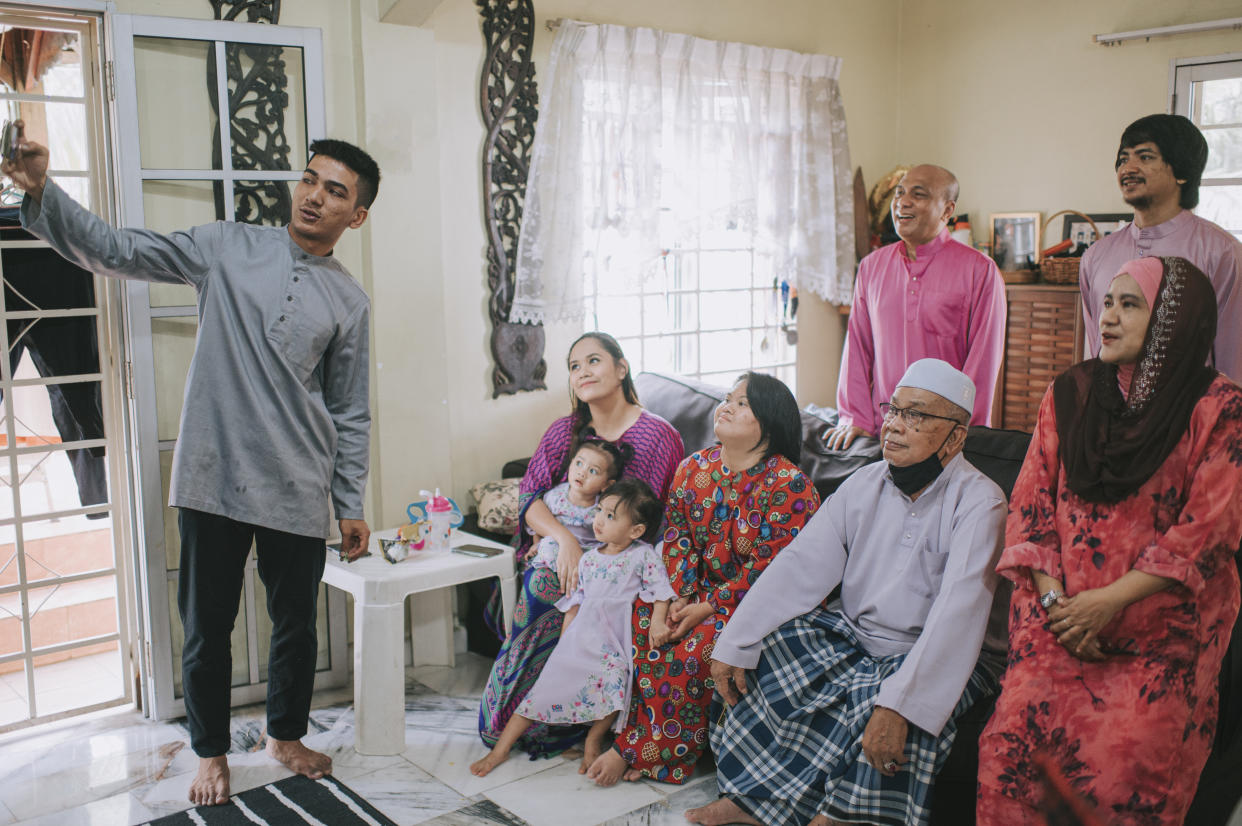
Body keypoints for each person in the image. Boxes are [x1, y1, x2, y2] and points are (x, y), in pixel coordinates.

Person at [1, 123, 379, 807]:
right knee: (208, 627)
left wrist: (349, 501)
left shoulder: (349, 301)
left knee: (296, 623)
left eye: (334, 191)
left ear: (356, 214)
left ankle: (284, 737)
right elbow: (115, 250)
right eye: (309, 179)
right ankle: (210, 752)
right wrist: (39, 190)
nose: (314, 197)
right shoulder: (227, 247)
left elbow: (349, 411)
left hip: (298, 482)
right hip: (214, 475)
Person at [685, 359, 1008, 826]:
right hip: (855, 634)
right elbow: (799, 567)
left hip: (932, 654)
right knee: (771, 647)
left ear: (956, 435)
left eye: (915, 416)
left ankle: (839, 818)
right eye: (893, 410)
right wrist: (736, 641)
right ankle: (750, 800)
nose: (894, 426)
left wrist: (899, 703)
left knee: (900, 714)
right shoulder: (866, 482)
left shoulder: (981, 503)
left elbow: (957, 616)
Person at [977, 257, 1242, 825]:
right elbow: (1030, 505)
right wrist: (1056, 603)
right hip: (1059, 624)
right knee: (1006, 757)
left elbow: (1207, 531)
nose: (1109, 317)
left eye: (1131, 304)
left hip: (1158, 635)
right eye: (1108, 303)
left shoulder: (1219, 408)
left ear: (1172, 319)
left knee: (1123, 773)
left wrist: (1106, 603)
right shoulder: (1068, 394)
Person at [586, 371, 820, 786]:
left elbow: (773, 568)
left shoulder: (791, 486)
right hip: (691, 592)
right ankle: (635, 735)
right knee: (640, 618)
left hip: (753, 604)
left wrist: (708, 607)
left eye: (742, 402)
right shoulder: (692, 468)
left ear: (770, 420)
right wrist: (678, 596)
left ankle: (647, 752)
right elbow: (676, 539)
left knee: (697, 646)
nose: (726, 405)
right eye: (727, 398)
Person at [478, 332, 684, 757]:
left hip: (624, 565)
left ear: (620, 369)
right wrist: (564, 539)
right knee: (542, 584)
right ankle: (520, 709)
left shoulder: (658, 436)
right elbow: (530, 499)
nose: (583, 371)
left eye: (593, 361)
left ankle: (572, 725)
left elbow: (660, 521)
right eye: (574, 366)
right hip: (565, 548)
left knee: (584, 600)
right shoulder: (563, 432)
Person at [471, 478, 674, 777]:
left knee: (616, 689)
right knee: (537, 696)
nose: (599, 521)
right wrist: (563, 645)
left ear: (636, 530)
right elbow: (574, 603)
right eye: (599, 511)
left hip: (611, 646)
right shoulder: (589, 559)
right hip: (579, 640)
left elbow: (661, 590)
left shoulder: (642, 555)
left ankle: (593, 739)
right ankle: (499, 751)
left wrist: (658, 620)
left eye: (610, 516)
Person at [825, 164, 1006, 450]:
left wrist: (962, 432)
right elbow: (858, 349)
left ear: (947, 210)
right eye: (899, 193)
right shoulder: (872, 267)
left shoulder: (980, 270)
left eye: (918, 195)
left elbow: (983, 362)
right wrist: (853, 417)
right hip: (884, 431)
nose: (903, 202)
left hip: (942, 435)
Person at [1081, 114, 1242, 381]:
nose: (1128, 168)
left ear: (1181, 171)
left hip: (1191, 418)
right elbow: (1093, 356)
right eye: (1123, 159)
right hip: (1108, 418)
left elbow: (1232, 363)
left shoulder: (1222, 253)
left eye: (1145, 157)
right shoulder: (1095, 257)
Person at [527, 439, 629, 571]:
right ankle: (554, 576)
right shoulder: (555, 497)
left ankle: (579, 582)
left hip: (588, 554)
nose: (582, 472)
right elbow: (538, 526)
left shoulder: (603, 508)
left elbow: (608, 537)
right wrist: (537, 544)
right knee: (547, 545)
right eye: (579, 463)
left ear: (607, 484)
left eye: (593, 471)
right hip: (557, 549)